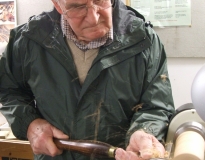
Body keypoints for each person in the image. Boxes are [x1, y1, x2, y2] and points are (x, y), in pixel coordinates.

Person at [0, 0, 175, 159]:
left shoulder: (144, 41)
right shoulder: (28, 40)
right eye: (77, 6)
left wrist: (144, 131)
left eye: (99, 1)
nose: (93, 17)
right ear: (58, 5)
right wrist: (30, 123)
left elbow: (156, 106)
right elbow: (9, 90)